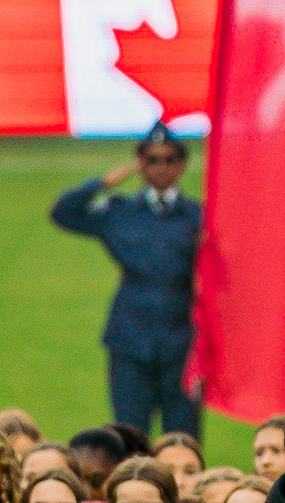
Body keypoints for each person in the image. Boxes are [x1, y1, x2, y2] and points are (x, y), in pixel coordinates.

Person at [50, 122, 200, 437]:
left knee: (184, 440)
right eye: (151, 160)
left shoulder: (197, 216)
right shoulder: (120, 212)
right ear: (140, 163)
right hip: (129, 340)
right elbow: (63, 213)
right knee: (129, 438)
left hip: (182, 341)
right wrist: (105, 181)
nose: (161, 168)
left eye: (169, 159)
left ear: (182, 165)